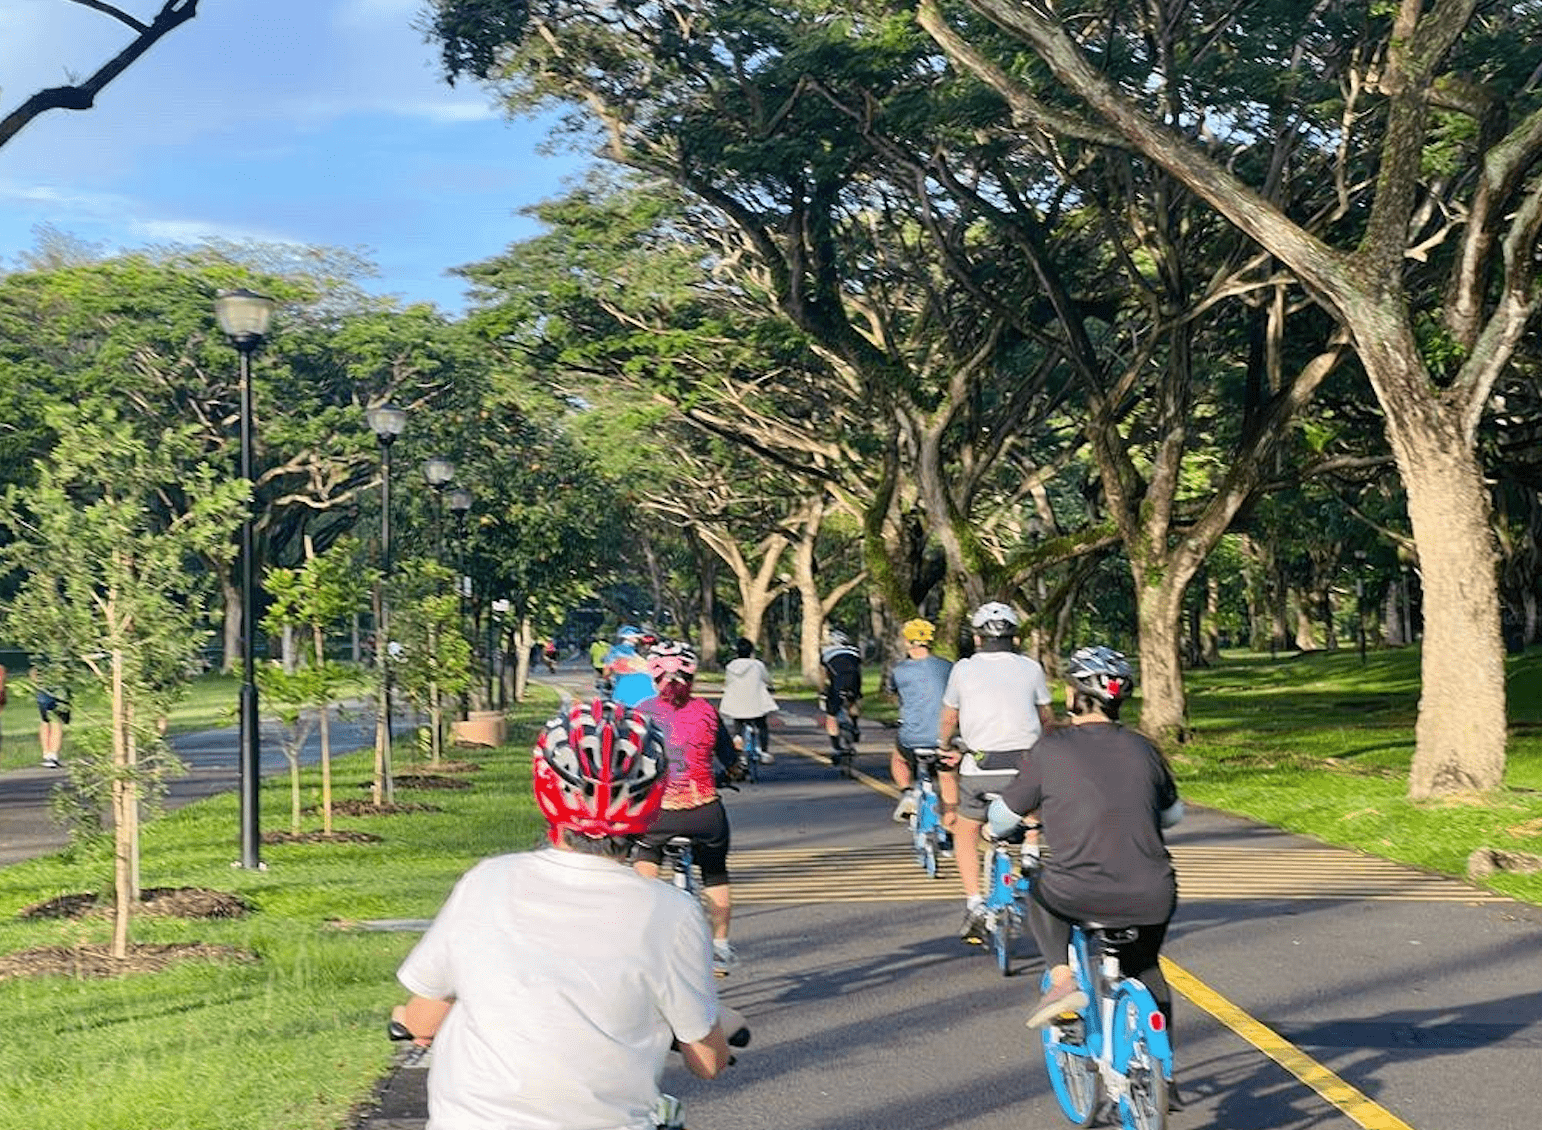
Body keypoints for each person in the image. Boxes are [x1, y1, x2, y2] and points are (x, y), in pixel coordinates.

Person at [392, 698, 745, 1130]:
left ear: (545, 785)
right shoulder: (671, 913)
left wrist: (410, 1021)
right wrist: (718, 1033)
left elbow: (423, 1014)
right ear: (653, 797)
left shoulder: (487, 882)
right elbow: (707, 1062)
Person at [986, 645, 1182, 1039]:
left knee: (1039, 888)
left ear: (1075, 695)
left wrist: (997, 829)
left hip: (1076, 892)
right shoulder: (1145, 748)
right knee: (1145, 967)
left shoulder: (1050, 748)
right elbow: (1172, 815)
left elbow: (1002, 817)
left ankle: (1062, 982)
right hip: (1153, 892)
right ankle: (1164, 1071)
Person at [937, 601, 1055, 942]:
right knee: (1035, 789)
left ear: (977, 640)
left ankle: (975, 902)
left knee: (965, 831)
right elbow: (1046, 719)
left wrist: (945, 746)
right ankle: (1031, 847)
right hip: (1025, 766)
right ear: (1015, 640)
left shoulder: (962, 669)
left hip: (981, 768)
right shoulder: (1031, 668)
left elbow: (949, 719)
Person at [631, 640, 744, 975]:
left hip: (658, 814)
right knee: (715, 873)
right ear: (691, 680)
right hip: (705, 811)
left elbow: (628, 762)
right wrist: (733, 770)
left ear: (654, 679)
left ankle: (640, 945)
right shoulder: (708, 711)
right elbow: (729, 760)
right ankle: (720, 947)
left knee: (644, 870)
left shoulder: (640, 713)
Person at [885, 618, 954, 825]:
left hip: (911, 739)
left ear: (907, 641)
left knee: (898, 758)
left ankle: (907, 792)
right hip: (944, 737)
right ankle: (950, 823)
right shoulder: (947, 666)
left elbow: (893, 692)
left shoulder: (899, 671)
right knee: (948, 773)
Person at [717, 637, 778, 766]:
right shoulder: (757, 665)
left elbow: (728, 682)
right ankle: (764, 752)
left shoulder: (731, 666)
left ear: (737, 652)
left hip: (737, 704)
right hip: (756, 703)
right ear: (751, 652)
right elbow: (766, 679)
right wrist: (771, 686)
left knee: (737, 728)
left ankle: (739, 756)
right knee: (762, 725)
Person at [818, 627, 864, 756]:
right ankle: (855, 726)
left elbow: (823, 675)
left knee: (831, 715)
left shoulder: (825, 652)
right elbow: (858, 669)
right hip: (854, 679)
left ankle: (836, 746)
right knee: (853, 700)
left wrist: (822, 690)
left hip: (838, 682)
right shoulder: (854, 651)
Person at [603, 625, 657, 706]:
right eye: (635, 636)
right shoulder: (621, 651)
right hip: (630, 685)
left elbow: (607, 670)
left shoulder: (619, 650)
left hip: (625, 687)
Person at [33, 669, 70, 770]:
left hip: (43, 689)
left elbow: (34, 672)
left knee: (46, 721)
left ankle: (47, 753)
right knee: (56, 722)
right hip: (58, 690)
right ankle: (52, 755)